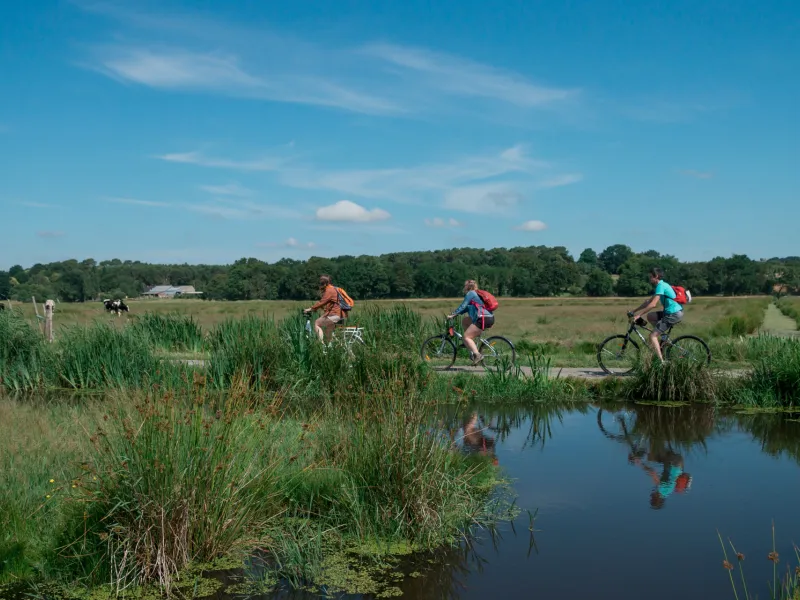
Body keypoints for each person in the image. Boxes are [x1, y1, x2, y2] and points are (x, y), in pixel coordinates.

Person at [628, 267, 684, 363]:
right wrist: (634, 311)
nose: (650, 279)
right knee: (650, 316)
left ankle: (661, 362)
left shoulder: (660, 286)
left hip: (673, 314)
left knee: (652, 336)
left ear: (656, 276)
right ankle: (663, 337)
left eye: (651, 277)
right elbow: (648, 302)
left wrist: (638, 315)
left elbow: (653, 304)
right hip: (670, 312)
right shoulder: (661, 285)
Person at [447, 280, 494, 365]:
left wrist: (452, 315)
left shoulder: (471, 293)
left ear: (468, 287)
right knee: (465, 321)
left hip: (483, 318)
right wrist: (455, 315)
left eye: (465, 286)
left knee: (466, 337)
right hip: (486, 317)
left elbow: (463, 305)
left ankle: (477, 355)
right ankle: (470, 343)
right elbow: (466, 308)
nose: (464, 287)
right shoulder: (475, 294)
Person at [303, 275, 343, 343]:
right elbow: (327, 303)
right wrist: (317, 309)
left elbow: (322, 302)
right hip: (338, 314)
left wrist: (311, 309)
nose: (319, 286)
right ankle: (329, 348)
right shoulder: (333, 289)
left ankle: (321, 346)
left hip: (334, 315)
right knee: (327, 331)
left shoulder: (329, 290)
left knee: (317, 323)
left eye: (320, 284)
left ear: (325, 284)